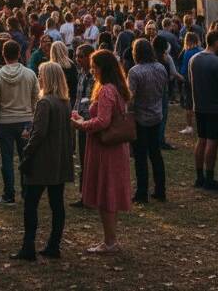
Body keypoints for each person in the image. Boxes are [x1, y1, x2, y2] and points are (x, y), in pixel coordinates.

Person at [71, 50, 132, 254]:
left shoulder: (106, 90)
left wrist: (81, 124)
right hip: (116, 147)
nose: (92, 71)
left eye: (95, 67)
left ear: (103, 68)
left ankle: (109, 241)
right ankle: (110, 239)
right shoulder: (118, 88)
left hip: (106, 148)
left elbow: (103, 121)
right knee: (110, 192)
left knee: (107, 193)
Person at [11, 62, 71, 261]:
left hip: (42, 160)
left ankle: (28, 247)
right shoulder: (64, 102)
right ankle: (54, 244)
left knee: (30, 203)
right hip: (58, 159)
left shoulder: (45, 103)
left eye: (41, 74)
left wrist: (27, 151)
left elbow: (39, 133)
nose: (39, 78)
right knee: (56, 203)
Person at [0, 39, 40, 204]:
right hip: (25, 119)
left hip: (6, 120)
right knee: (25, 156)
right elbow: (36, 96)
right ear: (19, 54)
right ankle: (27, 191)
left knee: (7, 159)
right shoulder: (30, 74)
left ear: (3, 55)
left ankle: (9, 193)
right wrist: (31, 111)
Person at [128, 39, 168, 203]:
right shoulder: (161, 68)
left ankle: (142, 192)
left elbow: (131, 97)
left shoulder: (135, 72)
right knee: (155, 153)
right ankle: (160, 189)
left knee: (140, 156)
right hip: (156, 114)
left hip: (140, 117)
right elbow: (164, 89)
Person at [189, 31, 218, 190]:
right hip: (215, 107)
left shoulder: (194, 59)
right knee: (212, 142)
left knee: (201, 139)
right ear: (217, 42)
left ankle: (199, 177)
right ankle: (209, 178)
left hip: (199, 105)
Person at [70, 43, 95, 208]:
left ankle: (90, 195)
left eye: (80, 56)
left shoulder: (95, 76)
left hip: (90, 121)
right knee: (83, 158)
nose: (77, 59)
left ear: (89, 57)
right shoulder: (80, 73)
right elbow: (78, 98)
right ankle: (84, 194)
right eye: (77, 56)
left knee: (90, 159)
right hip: (80, 120)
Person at [177, 32, 202, 135]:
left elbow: (184, 69)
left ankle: (189, 126)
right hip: (201, 80)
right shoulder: (202, 51)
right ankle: (200, 124)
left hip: (189, 80)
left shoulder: (187, 52)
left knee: (189, 104)